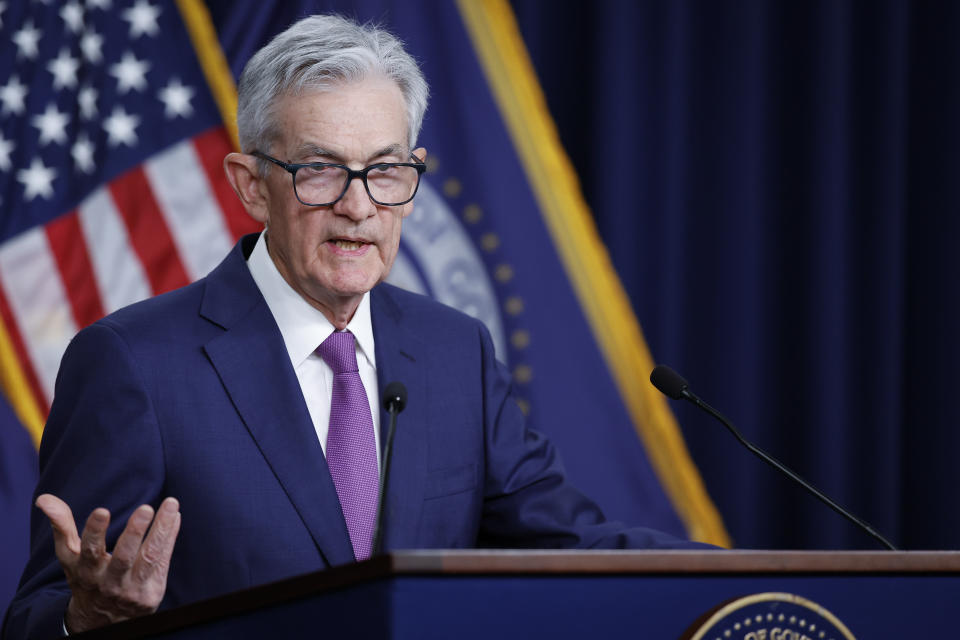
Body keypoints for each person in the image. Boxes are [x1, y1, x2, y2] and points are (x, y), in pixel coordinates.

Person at [3, 14, 708, 639]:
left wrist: (762, 580)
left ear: (414, 177)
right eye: (320, 171)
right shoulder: (134, 364)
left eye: (385, 171)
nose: (358, 205)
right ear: (253, 185)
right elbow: (37, 614)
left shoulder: (452, 351)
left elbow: (571, 544)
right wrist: (88, 619)